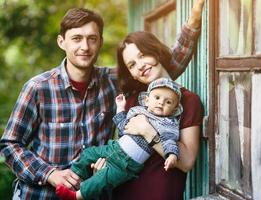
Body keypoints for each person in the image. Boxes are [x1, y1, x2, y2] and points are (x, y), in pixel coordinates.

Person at [0, 2, 203, 199]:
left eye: (92, 39)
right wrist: (49, 174)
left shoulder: (113, 82)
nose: (85, 47)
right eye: (77, 38)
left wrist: (193, 22)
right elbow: (9, 144)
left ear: (100, 42)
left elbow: (160, 71)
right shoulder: (38, 88)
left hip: (91, 191)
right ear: (62, 42)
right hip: (40, 195)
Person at [108, 1, 205, 199]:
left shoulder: (188, 100)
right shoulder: (134, 100)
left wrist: (149, 133)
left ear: (155, 51)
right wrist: (105, 162)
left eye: (143, 55)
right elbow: (123, 148)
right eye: (132, 65)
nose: (141, 66)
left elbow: (186, 161)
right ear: (132, 74)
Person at [55, 78, 184, 200]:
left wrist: (172, 154)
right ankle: (76, 176)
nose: (161, 102)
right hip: (113, 148)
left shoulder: (167, 124)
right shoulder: (138, 112)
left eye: (168, 102)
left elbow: (169, 141)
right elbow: (123, 128)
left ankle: (75, 196)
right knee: (88, 153)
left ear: (174, 110)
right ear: (147, 100)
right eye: (157, 97)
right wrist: (120, 108)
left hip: (126, 165)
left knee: (101, 180)